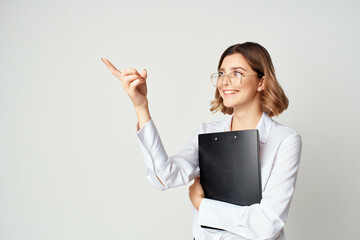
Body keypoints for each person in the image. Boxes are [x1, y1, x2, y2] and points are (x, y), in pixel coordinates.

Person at [101, 42, 302, 240]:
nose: (225, 81)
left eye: (237, 73)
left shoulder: (285, 141)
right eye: (222, 73)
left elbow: (266, 225)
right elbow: (164, 176)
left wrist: (201, 205)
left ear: (261, 82)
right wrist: (141, 106)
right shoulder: (207, 132)